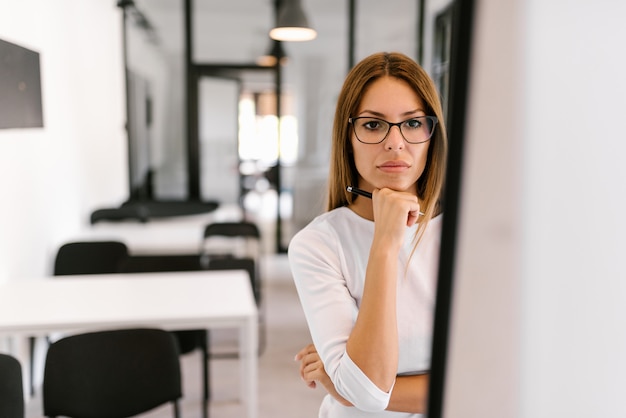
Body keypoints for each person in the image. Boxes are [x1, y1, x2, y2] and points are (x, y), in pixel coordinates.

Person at [288, 51, 447, 417]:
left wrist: (347, 386)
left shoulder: (464, 233)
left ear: (430, 134)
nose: (395, 143)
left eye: (412, 123)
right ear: (348, 137)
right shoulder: (318, 244)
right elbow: (367, 388)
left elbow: (482, 372)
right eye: (374, 125)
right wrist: (386, 243)